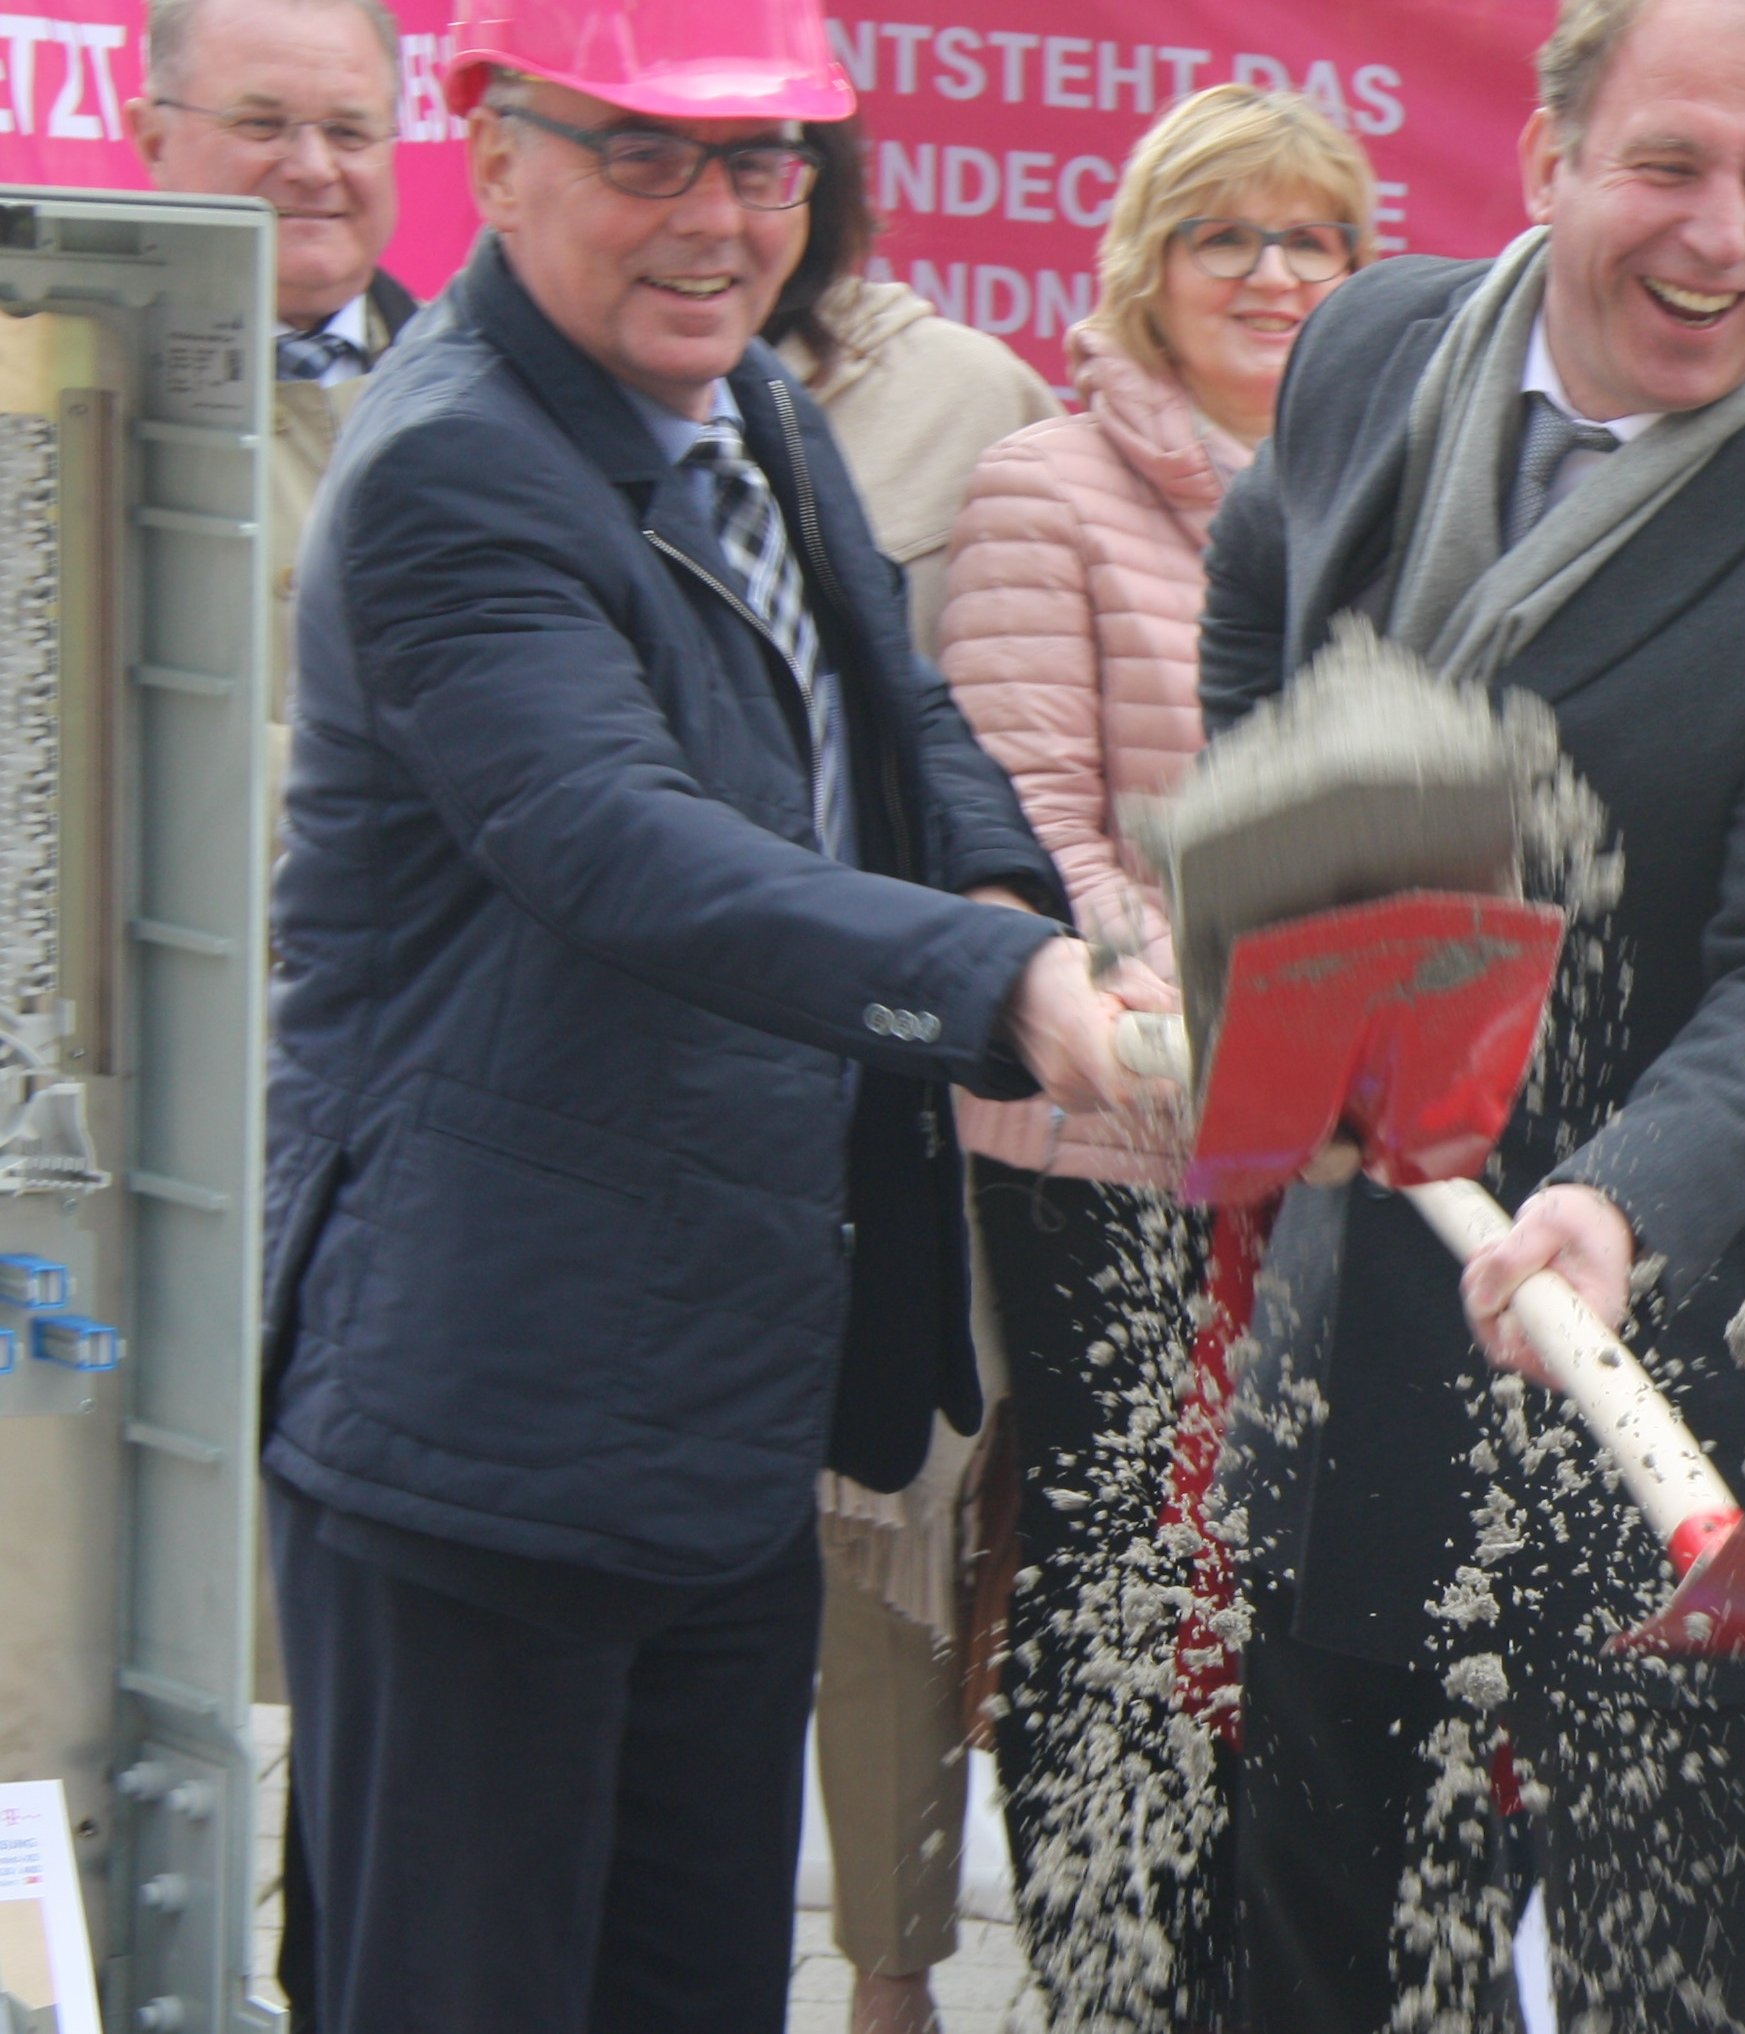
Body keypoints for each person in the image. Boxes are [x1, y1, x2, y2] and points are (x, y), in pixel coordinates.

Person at [258, 0, 1154, 2024]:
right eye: (648, 155)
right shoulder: (454, 469)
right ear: (492, 161)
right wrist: (1000, 987)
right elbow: (618, 841)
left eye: (766, 163)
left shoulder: (744, 400)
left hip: (718, 1410)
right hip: (487, 1411)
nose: (723, 218)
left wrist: (1035, 912)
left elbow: (899, 716)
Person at [1190, 0, 1745, 2019]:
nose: (1726, 233)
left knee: (1652, 1956)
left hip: (1658, 1372)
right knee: (1321, 1931)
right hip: (1355, 1310)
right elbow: (1258, 580)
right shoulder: (1377, 347)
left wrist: (1621, 1200)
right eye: (1671, 165)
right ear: (1551, 157)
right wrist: (1248, 896)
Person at [933, 79, 1373, 2031]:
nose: (1274, 275)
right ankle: (1112, 1985)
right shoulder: (1049, 488)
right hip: (1120, 1137)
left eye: (1313, 241)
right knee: (1126, 1578)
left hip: (1348, 1143)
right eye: (1230, 237)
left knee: (1288, 1589)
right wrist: (1226, 1029)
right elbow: (1037, 835)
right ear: (1148, 264)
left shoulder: (1380, 481)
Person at [753, 114, 1065, 2034]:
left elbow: (960, 730)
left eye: (760, 158)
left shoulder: (964, 395)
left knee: (892, 1526)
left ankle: (889, 1969)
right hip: (663, 1092)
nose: (717, 205)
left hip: (888, 1079)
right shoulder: (530, 404)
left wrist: (1009, 957)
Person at [126, 0, 416, 722]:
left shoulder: (507, 399)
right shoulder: (53, 407)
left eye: (349, 132)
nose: (314, 169)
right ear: (153, 138)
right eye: (262, 125)